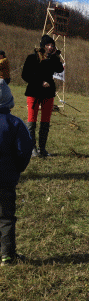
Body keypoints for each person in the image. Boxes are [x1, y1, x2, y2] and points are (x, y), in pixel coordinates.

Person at [0, 82, 33, 266]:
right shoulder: (15, 123)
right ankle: (7, 256)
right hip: (5, 180)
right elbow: (24, 150)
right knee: (5, 217)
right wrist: (18, 169)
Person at [21, 35, 64, 157]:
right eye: (48, 45)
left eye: (52, 45)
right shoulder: (32, 58)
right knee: (32, 121)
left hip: (48, 94)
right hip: (34, 92)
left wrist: (56, 56)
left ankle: (42, 149)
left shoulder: (52, 59)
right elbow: (25, 75)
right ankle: (32, 149)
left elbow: (60, 69)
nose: (50, 47)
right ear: (42, 46)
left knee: (45, 122)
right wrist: (40, 82)